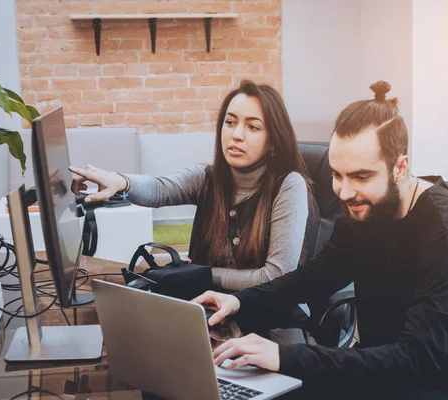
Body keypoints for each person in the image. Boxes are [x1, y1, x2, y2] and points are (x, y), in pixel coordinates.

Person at [192, 81, 448, 399]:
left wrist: (285, 357)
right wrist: (241, 301)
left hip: (438, 384)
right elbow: (317, 277)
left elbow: (418, 359)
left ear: (400, 167)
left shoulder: (447, 239)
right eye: (337, 175)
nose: (345, 191)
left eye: (361, 176)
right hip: (381, 368)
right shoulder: (367, 208)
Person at [70, 80, 320, 344]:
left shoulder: (289, 185)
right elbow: (160, 189)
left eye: (253, 127)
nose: (236, 134)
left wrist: (202, 274)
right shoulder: (208, 177)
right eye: (230, 122)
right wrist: (119, 181)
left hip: (272, 328)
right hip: (212, 319)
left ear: (273, 142)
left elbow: (275, 276)